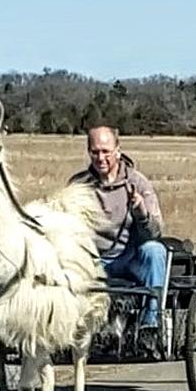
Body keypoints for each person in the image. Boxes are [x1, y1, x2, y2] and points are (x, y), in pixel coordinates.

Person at [69, 125, 166, 336]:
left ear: (118, 150)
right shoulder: (78, 185)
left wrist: (141, 211)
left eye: (106, 151)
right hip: (91, 262)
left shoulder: (138, 182)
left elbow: (156, 231)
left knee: (155, 251)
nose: (100, 158)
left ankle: (151, 322)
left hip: (128, 258)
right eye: (95, 152)